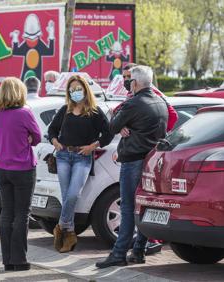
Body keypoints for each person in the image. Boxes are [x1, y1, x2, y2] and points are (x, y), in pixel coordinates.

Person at [96, 66, 168, 269]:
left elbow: (112, 127)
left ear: (135, 83)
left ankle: (119, 254)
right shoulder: (160, 101)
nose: (127, 83)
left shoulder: (134, 103)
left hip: (133, 160)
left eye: (129, 80)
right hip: (151, 161)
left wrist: (114, 117)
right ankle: (138, 251)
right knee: (143, 207)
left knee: (128, 208)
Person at [48, 75, 113, 253]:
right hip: (63, 156)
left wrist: (93, 146)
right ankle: (69, 235)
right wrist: (55, 141)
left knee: (72, 196)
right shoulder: (65, 110)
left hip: (82, 158)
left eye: (78, 89)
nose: (75, 92)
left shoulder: (94, 111)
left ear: (85, 90)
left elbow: (108, 134)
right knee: (65, 195)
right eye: (72, 90)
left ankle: (60, 227)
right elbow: (52, 129)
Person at [0, 77, 41, 271]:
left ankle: (7, 260)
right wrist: (28, 138)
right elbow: (37, 137)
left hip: (3, 169)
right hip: (22, 169)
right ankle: (19, 260)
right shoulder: (25, 113)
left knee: (7, 213)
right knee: (22, 214)